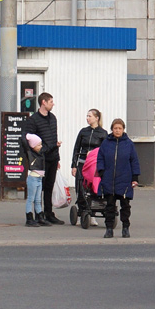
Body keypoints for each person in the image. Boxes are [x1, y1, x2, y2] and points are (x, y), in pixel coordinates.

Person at [20, 92, 63, 225]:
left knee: (49, 186)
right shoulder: (33, 120)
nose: (53, 104)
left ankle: (48, 213)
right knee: (38, 188)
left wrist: (57, 158)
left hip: (53, 157)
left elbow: (54, 138)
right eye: (51, 102)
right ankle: (36, 215)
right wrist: (36, 152)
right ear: (43, 102)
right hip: (40, 160)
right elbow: (26, 137)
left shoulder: (53, 118)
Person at [97, 118, 140, 239]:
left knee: (125, 206)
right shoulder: (106, 143)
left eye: (120, 128)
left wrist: (135, 177)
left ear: (123, 130)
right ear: (112, 129)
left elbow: (134, 161)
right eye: (115, 128)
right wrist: (102, 172)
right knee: (109, 206)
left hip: (124, 180)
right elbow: (100, 158)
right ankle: (109, 229)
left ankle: (125, 228)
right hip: (109, 179)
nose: (117, 130)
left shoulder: (129, 144)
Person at [71, 109, 107, 178]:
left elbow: (105, 151)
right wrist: (74, 165)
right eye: (87, 116)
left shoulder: (103, 133)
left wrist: (93, 153)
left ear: (97, 118)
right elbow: (76, 149)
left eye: (89, 116)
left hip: (94, 164)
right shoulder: (83, 131)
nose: (87, 118)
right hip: (82, 162)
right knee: (80, 186)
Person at [23, 133, 47, 227]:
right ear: (33, 145)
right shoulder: (30, 153)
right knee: (31, 199)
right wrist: (28, 136)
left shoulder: (40, 153)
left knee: (38, 199)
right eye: (38, 145)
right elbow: (24, 142)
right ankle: (29, 218)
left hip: (39, 179)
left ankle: (40, 216)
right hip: (33, 178)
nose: (40, 146)